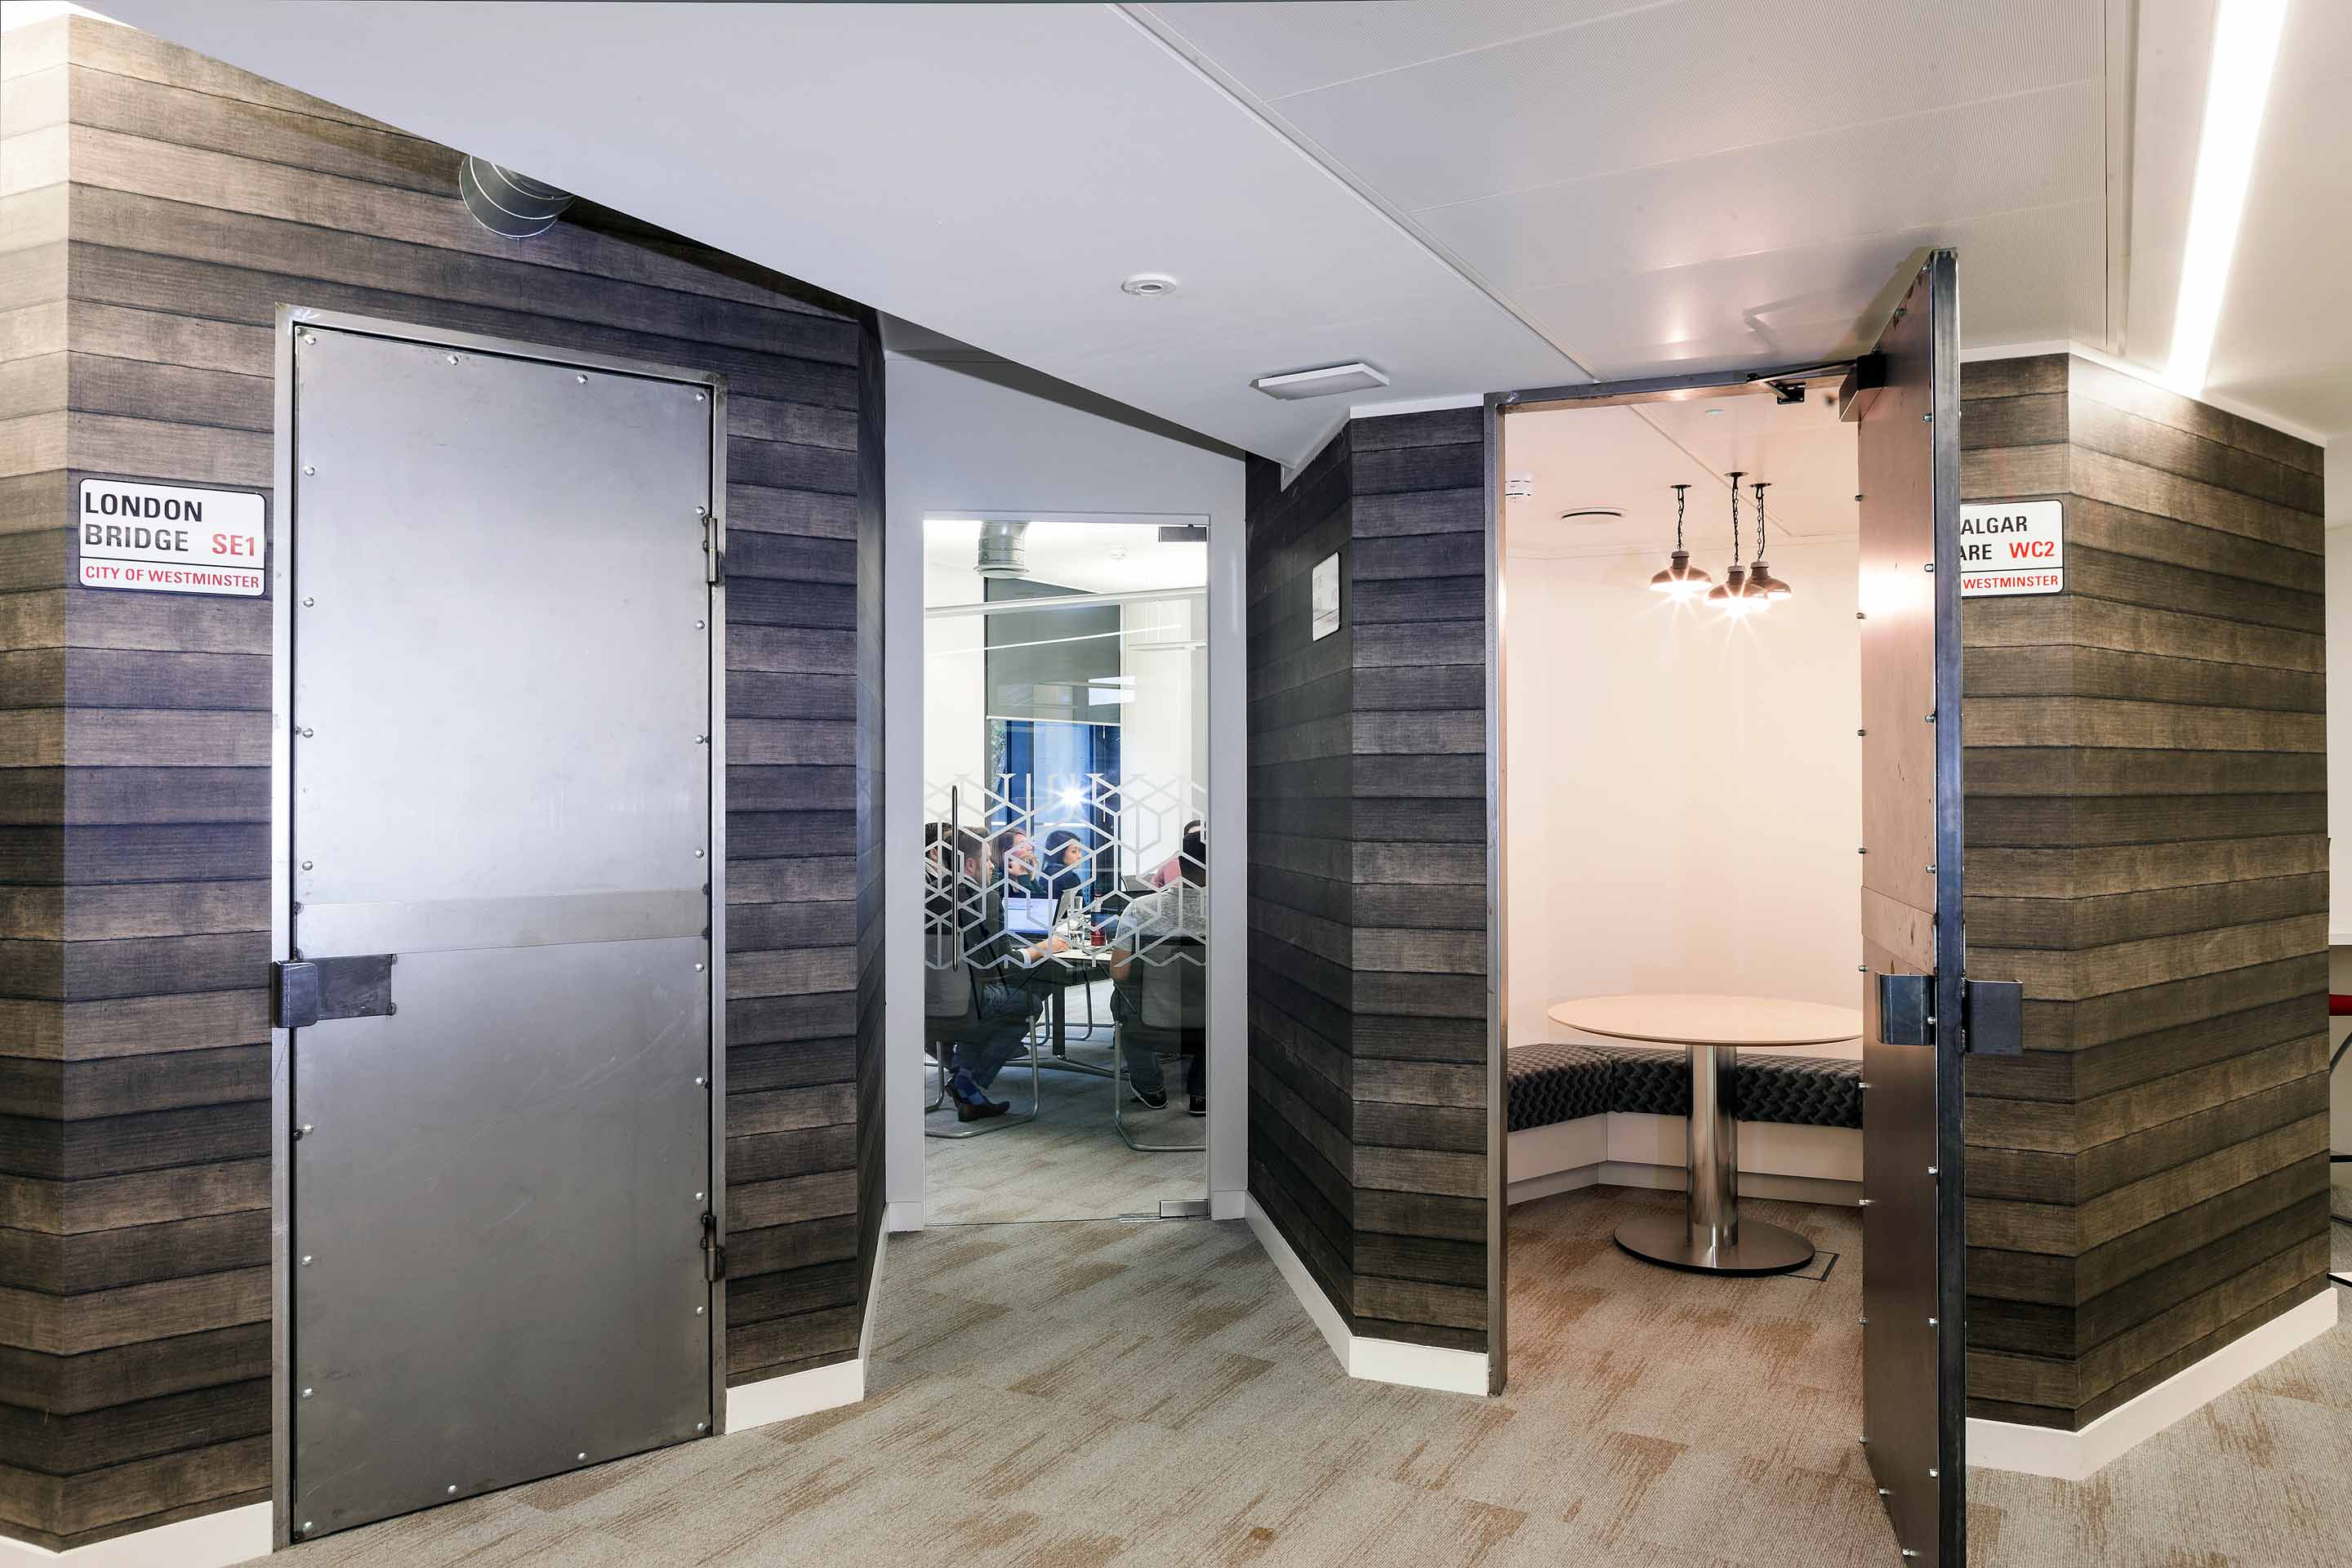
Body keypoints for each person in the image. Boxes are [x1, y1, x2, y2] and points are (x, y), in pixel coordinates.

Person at [930, 826, 1067, 1120]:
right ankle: (969, 1082)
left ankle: (968, 1089)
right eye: (989, 860)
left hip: (927, 999)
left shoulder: (932, 895)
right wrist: (1042, 947)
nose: (993, 866)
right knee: (1027, 1002)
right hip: (970, 999)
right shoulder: (983, 898)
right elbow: (1006, 963)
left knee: (996, 1006)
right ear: (970, 865)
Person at [1109, 821, 1207, 1115]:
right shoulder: (1227, 909)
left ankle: (1151, 1088)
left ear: (1178, 863)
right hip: (1205, 1020)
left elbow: (1119, 973)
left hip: (1151, 1020)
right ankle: (1201, 1093)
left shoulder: (1139, 909)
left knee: (1121, 1002)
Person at [1147, 819, 1203, 889]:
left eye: (1201, 837)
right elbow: (1153, 887)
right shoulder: (1171, 862)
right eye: (1193, 837)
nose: (1197, 840)